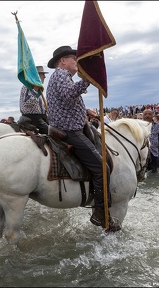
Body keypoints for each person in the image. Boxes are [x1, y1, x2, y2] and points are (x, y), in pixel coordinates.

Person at [46, 45, 117, 230]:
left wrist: (85, 111)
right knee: (102, 168)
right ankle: (101, 213)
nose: (77, 63)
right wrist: (87, 79)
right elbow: (70, 95)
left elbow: (65, 103)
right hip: (70, 131)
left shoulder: (62, 77)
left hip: (71, 126)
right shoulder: (61, 74)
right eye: (74, 59)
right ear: (63, 61)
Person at [19, 65, 49, 134]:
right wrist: (35, 90)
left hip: (41, 116)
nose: (44, 76)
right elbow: (27, 103)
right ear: (36, 76)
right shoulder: (27, 86)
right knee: (49, 132)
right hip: (32, 117)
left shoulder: (39, 89)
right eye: (42, 74)